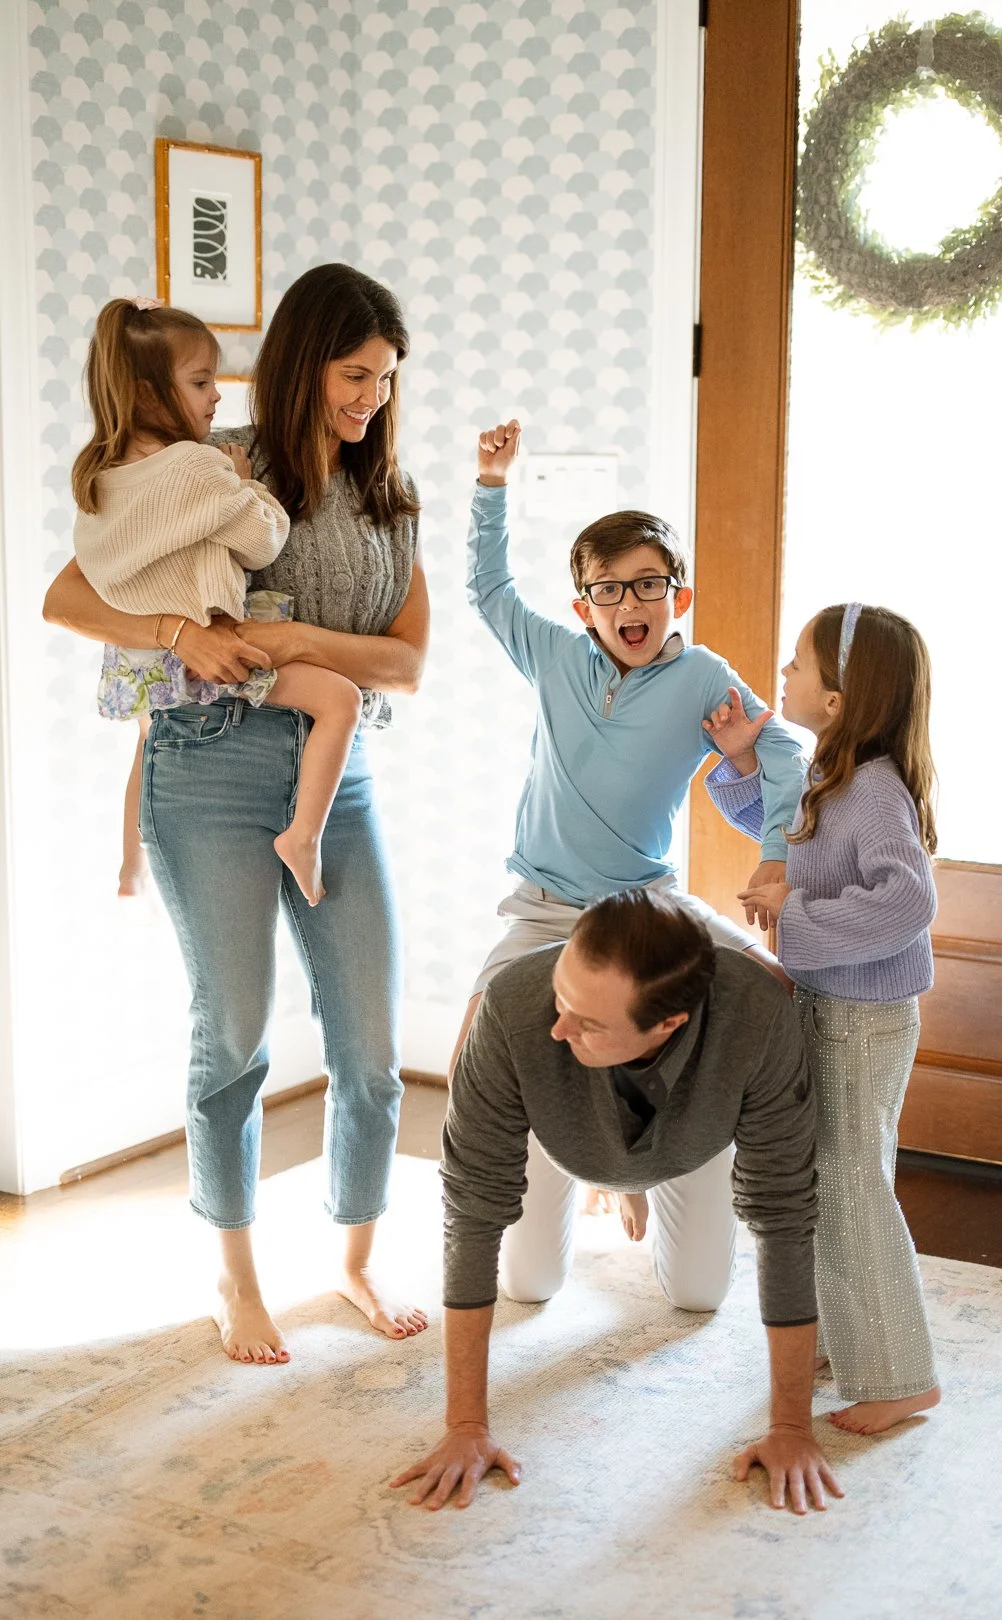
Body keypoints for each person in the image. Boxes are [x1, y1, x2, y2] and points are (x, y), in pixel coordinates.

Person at [43, 264, 430, 1362]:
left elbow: (406, 662)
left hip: (334, 776)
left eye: (387, 380)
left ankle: (354, 1259)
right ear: (307, 363)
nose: (371, 398)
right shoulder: (218, 462)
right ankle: (235, 1275)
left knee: (369, 1048)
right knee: (237, 1039)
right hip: (206, 769)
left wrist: (302, 644)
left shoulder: (390, 499)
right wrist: (176, 636)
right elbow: (74, 594)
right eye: (357, 374)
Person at [453, 418, 806, 1223]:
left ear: (678, 596)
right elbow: (488, 590)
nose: (629, 602)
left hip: (646, 907)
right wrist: (490, 484)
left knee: (776, 984)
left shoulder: (703, 677)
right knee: (474, 1042)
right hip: (544, 907)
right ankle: (489, 1216)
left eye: (648, 584)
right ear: (585, 608)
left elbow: (783, 749)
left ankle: (672, 1160)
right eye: (608, 589)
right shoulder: (552, 655)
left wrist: (777, 855)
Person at [392, 888, 842, 1513]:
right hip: (558, 1136)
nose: (558, 1026)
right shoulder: (514, 1007)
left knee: (698, 1295)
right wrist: (465, 1427)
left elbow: (785, 1212)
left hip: (693, 1143)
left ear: (667, 1024)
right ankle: (604, 1177)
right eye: (561, 996)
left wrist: (792, 1427)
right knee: (530, 1282)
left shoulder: (760, 1017)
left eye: (589, 1022)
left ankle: (634, 1181)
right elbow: (472, 1207)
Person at [706, 602, 940, 1435]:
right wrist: (739, 760)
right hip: (837, 1006)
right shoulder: (826, 774)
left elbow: (909, 901)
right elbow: (777, 827)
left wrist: (795, 912)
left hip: (862, 1018)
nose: (784, 676)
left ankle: (899, 1376)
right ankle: (854, 1334)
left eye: (798, 666)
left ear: (838, 698)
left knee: (849, 1187)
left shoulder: (872, 789)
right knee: (836, 1179)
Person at [73, 295, 367, 908]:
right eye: (202, 381)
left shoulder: (99, 475)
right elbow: (263, 541)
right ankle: (305, 838)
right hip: (216, 652)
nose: (216, 396)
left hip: (144, 658)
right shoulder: (197, 467)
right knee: (341, 700)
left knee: (150, 740)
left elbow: (96, 571)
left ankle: (132, 861)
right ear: (150, 394)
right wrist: (244, 482)